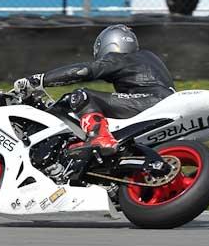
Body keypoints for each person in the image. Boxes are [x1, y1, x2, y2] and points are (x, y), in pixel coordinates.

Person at [13, 24, 175, 156]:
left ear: (108, 43)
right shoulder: (149, 58)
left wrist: (39, 80)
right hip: (163, 103)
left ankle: (100, 137)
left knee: (81, 96)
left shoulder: (120, 58)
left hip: (149, 102)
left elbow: (83, 71)